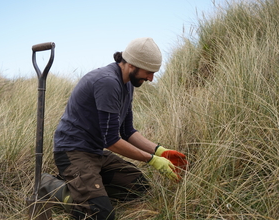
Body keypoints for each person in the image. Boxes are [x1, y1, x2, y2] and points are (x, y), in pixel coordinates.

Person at [49, 37, 187, 220]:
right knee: (102, 215)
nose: (151, 79)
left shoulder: (127, 85)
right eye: (149, 72)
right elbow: (112, 141)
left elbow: (127, 131)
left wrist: (161, 151)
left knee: (139, 188)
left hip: (95, 153)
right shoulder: (107, 82)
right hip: (72, 153)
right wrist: (152, 160)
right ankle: (52, 186)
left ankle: (88, 187)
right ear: (132, 64)